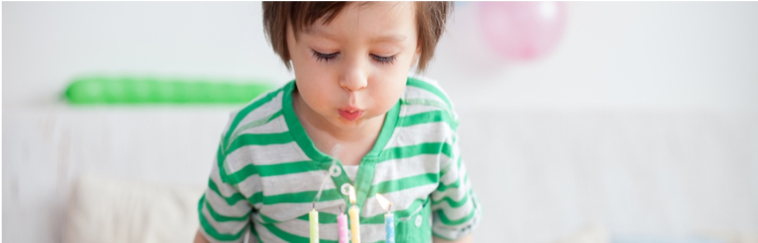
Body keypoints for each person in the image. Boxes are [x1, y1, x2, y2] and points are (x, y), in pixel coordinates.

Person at [194, 2, 480, 242]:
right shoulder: (249, 142)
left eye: (383, 56)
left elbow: (455, 230)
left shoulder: (432, 123)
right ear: (285, 38)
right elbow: (213, 236)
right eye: (325, 53)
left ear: (418, 44)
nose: (354, 81)